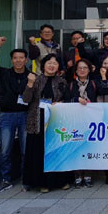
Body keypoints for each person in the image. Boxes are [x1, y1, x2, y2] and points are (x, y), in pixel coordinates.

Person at [0, 36, 31, 194]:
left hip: (25, 115)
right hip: (7, 116)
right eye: (15, 58)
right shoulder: (3, 74)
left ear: (26, 60)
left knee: (26, 149)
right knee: (5, 149)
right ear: (12, 60)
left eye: (21, 58)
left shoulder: (31, 76)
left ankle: (27, 179)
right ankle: (6, 180)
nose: (18, 60)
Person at [22, 54, 71, 193]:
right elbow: (26, 99)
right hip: (37, 121)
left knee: (56, 151)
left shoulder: (62, 81)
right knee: (39, 152)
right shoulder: (35, 80)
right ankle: (42, 183)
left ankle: (60, 181)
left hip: (56, 121)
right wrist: (29, 84)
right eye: (49, 63)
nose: (52, 65)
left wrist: (60, 103)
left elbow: (67, 99)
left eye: (55, 63)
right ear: (43, 65)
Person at [69, 58, 103, 188]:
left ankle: (88, 176)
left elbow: (104, 91)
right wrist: (76, 99)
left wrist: (104, 77)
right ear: (76, 70)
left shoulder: (94, 83)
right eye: (80, 68)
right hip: (75, 120)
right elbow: (65, 99)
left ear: (89, 70)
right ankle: (77, 176)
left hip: (90, 120)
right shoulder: (71, 84)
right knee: (76, 148)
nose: (82, 70)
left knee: (89, 147)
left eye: (85, 68)